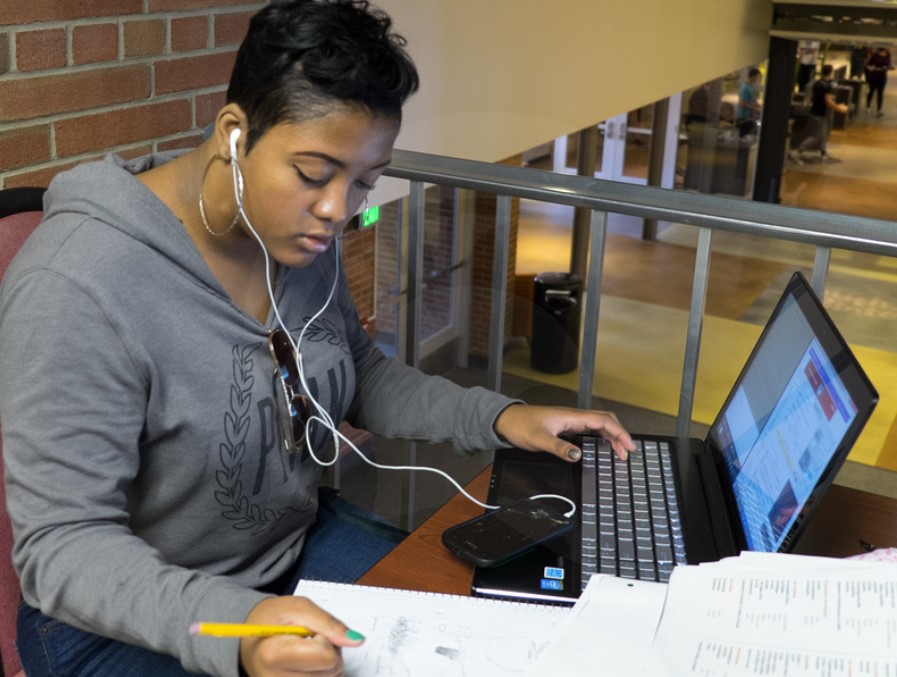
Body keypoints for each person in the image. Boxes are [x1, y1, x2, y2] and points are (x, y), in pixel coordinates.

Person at [0, 2, 636, 676]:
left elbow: (358, 373)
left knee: (484, 631)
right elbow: (62, 549)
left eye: (364, 179)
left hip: (286, 552)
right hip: (135, 617)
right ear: (234, 134)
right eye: (313, 174)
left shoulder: (298, 238)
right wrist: (240, 629)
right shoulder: (77, 284)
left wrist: (502, 416)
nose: (338, 209)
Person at [789, 64, 849, 165]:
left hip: (816, 111)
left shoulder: (817, 83)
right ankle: (799, 150)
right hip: (820, 114)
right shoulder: (827, 86)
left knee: (823, 134)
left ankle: (823, 152)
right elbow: (828, 102)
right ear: (831, 72)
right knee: (818, 136)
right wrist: (840, 108)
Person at [865, 46, 892, 117]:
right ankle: (868, 106)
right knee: (871, 91)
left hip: (883, 77)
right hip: (874, 76)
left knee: (880, 93)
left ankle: (879, 110)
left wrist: (887, 67)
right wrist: (872, 68)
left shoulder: (888, 55)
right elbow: (868, 65)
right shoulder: (875, 55)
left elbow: (889, 65)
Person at [735, 68, 762, 138]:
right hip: (743, 117)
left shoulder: (751, 87)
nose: (757, 80)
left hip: (748, 116)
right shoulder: (745, 88)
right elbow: (743, 104)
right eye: (757, 77)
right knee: (743, 136)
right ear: (752, 77)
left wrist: (757, 105)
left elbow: (752, 100)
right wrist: (755, 109)